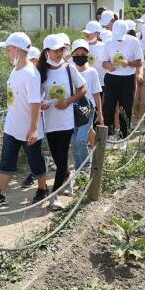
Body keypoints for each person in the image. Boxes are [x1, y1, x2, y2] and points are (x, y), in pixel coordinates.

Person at [0, 32, 48, 207]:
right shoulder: (16, 69)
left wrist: (34, 128)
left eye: (8, 49)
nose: (7, 53)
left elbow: (35, 102)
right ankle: (1, 193)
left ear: (17, 49)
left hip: (28, 128)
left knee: (35, 160)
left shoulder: (31, 73)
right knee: (6, 160)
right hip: (12, 125)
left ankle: (43, 188)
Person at [39, 34, 86, 210]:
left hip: (66, 121)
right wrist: (42, 103)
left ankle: (54, 195)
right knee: (58, 158)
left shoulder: (69, 68)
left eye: (61, 50)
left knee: (61, 160)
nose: (59, 53)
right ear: (47, 51)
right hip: (50, 121)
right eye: (55, 50)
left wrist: (68, 101)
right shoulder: (41, 71)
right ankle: (67, 177)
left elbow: (82, 89)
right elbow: (38, 94)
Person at [101, 20, 143, 146]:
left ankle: (123, 136)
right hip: (111, 78)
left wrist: (128, 63)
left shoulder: (134, 42)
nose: (119, 40)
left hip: (127, 79)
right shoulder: (108, 42)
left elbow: (139, 62)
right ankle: (109, 135)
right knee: (108, 108)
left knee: (125, 107)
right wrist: (108, 65)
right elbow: (104, 62)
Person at [70, 39, 103, 171]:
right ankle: (79, 166)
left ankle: (86, 166)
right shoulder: (70, 70)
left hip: (88, 110)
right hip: (73, 110)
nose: (80, 56)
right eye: (77, 53)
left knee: (81, 140)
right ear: (72, 54)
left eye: (83, 53)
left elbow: (96, 93)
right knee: (74, 140)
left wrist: (100, 112)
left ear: (88, 54)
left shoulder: (92, 72)